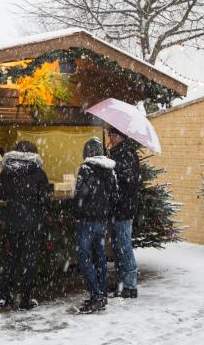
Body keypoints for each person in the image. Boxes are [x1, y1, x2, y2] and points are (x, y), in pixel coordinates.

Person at [0, 140, 49, 310]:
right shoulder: (39, 172)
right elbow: (44, 198)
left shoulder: (7, 171)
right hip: (32, 222)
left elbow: (1, 195)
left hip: (12, 220)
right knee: (29, 260)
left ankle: (4, 295)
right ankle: (26, 299)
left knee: (11, 257)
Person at [74, 137, 117, 313]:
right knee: (100, 256)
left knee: (83, 257)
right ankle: (101, 294)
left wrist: (78, 212)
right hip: (102, 221)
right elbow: (115, 196)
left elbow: (80, 195)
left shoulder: (86, 168)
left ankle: (96, 295)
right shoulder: (110, 169)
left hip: (87, 220)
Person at [106, 126, 140, 298]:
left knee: (124, 245)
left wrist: (113, 171)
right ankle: (120, 282)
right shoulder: (116, 153)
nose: (110, 136)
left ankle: (130, 285)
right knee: (117, 246)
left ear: (119, 136)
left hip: (124, 207)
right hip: (116, 207)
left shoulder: (126, 153)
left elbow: (129, 180)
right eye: (109, 133)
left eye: (111, 134)